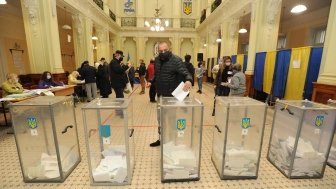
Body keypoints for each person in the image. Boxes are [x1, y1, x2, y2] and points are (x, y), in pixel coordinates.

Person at [147, 42, 192, 147]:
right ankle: (161, 139)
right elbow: (156, 74)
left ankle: (172, 140)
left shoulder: (176, 60)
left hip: (171, 96)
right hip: (160, 95)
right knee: (160, 119)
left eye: (165, 50)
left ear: (169, 49)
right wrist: (151, 80)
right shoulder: (157, 60)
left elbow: (186, 73)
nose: (163, 53)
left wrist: (188, 81)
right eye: (160, 51)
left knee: (171, 120)